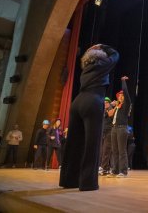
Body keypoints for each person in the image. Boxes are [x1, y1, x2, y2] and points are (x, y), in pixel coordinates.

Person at [59, 44, 119, 191]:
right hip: (92, 101)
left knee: (74, 143)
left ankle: (69, 180)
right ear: (101, 57)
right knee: (92, 143)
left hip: (77, 102)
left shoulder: (86, 68)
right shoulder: (102, 64)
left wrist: (90, 50)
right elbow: (115, 54)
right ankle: (88, 183)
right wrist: (103, 46)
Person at [107, 76, 132, 178]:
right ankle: (115, 170)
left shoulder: (126, 106)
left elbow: (126, 92)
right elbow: (109, 114)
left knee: (122, 150)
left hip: (122, 128)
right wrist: (113, 106)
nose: (120, 97)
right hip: (114, 128)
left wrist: (123, 82)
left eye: (122, 96)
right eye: (119, 96)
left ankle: (123, 171)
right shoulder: (117, 107)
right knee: (115, 150)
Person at [99, 97, 114, 176]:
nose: (105, 104)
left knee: (106, 151)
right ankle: (106, 168)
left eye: (106, 102)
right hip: (104, 132)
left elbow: (109, 114)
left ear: (109, 103)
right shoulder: (104, 110)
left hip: (109, 132)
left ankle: (104, 168)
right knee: (103, 151)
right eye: (104, 103)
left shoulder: (111, 109)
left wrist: (111, 105)